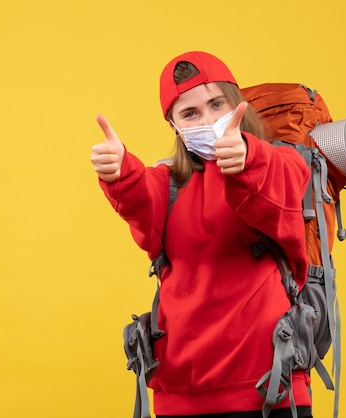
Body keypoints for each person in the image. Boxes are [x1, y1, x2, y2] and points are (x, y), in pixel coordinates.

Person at [90, 51, 313, 418]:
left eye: (216, 104)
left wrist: (248, 158)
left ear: (236, 103)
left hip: (271, 389)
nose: (208, 120)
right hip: (182, 396)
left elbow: (283, 185)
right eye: (190, 113)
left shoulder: (280, 162)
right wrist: (120, 170)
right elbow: (139, 192)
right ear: (175, 127)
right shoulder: (169, 185)